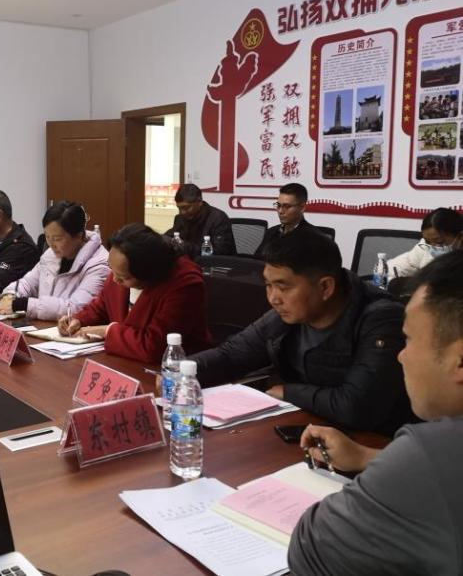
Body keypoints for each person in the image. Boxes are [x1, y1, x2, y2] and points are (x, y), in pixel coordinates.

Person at [288, 251, 463, 576]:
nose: (401, 356)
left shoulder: (432, 453)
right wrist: (370, 458)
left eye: (409, 339)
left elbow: (310, 550)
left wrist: (405, 466)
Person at [194, 229, 413, 435]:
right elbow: (231, 356)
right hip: (308, 429)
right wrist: (182, 373)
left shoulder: (382, 319)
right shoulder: (289, 315)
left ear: (325, 287)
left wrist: (289, 392)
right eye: (268, 285)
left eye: (283, 287)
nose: (273, 298)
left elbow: (358, 406)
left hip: (373, 444)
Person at [58, 223, 212, 364]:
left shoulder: (184, 284)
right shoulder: (120, 270)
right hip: (125, 361)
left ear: (147, 273)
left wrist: (108, 331)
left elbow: (154, 347)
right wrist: (78, 319)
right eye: (112, 269)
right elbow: (101, 306)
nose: (114, 279)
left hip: (172, 370)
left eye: (123, 277)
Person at [0, 201, 109, 320]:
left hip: (72, 329)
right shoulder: (51, 254)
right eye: (47, 236)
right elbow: (27, 283)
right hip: (45, 326)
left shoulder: (99, 264)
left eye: (57, 238)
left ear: (79, 235)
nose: (51, 244)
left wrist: (25, 304)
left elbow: (77, 308)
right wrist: (10, 295)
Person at [387, 207, 462, 279]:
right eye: (428, 241)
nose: (432, 248)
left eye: (439, 242)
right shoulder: (425, 246)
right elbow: (395, 268)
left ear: (460, 236)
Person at [164, 183, 236, 257]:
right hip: (188, 261)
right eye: (179, 208)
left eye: (186, 208)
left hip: (212, 262)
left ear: (199, 202)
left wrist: (186, 247)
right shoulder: (180, 218)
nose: (182, 212)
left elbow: (220, 251)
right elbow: (170, 236)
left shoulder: (218, 218)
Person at [254, 183, 319, 257]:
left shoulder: (314, 239)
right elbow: (256, 260)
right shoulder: (271, 232)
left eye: (287, 206)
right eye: (278, 205)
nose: (280, 211)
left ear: (302, 207)